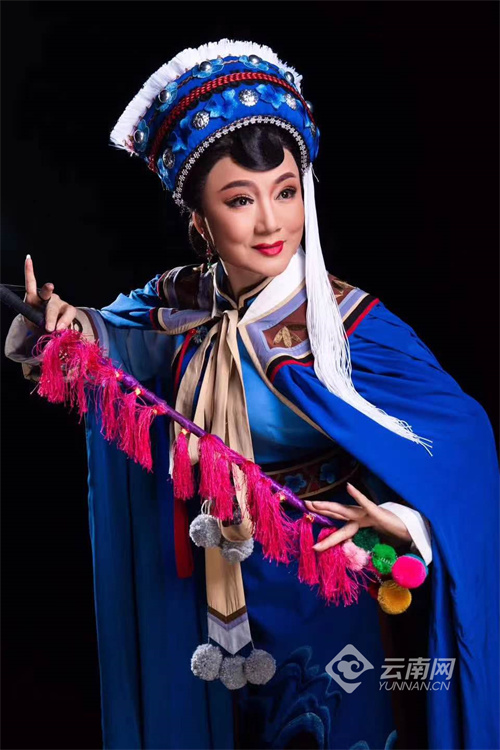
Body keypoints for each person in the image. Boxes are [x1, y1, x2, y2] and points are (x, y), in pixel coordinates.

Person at [4, 39, 499, 750]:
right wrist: (64, 327)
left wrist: (402, 520)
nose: (271, 222)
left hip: (324, 579)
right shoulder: (179, 303)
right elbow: (112, 345)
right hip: (202, 581)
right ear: (200, 220)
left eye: (286, 192)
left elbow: (462, 443)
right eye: (240, 200)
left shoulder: (348, 324)